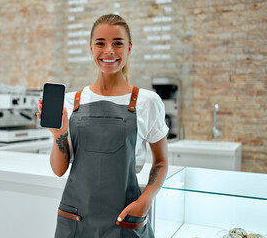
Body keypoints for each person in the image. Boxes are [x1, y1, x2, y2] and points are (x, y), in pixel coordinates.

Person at [37, 14, 169, 238]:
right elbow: (59, 170)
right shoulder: (71, 102)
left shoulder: (148, 102)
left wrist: (145, 201)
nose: (109, 50)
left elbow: (162, 161)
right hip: (76, 222)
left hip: (125, 219)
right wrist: (59, 134)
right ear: (91, 48)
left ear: (129, 48)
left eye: (118, 43)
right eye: (100, 43)